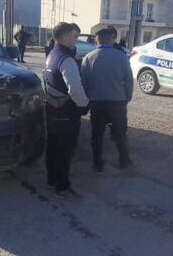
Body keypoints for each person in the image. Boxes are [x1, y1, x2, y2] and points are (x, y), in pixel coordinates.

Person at [44, 22, 90, 200]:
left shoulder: (51, 55)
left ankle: (51, 180)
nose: (76, 40)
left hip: (51, 110)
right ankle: (62, 186)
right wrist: (85, 105)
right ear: (64, 37)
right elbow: (75, 90)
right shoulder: (66, 59)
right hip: (66, 113)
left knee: (53, 147)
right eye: (74, 36)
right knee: (65, 151)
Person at [81, 28, 134, 172]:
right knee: (120, 134)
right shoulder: (121, 56)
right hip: (117, 102)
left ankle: (98, 163)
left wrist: (87, 98)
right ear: (111, 39)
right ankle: (124, 160)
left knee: (97, 135)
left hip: (97, 103)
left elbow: (84, 82)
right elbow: (128, 80)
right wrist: (127, 97)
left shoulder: (88, 58)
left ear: (96, 40)